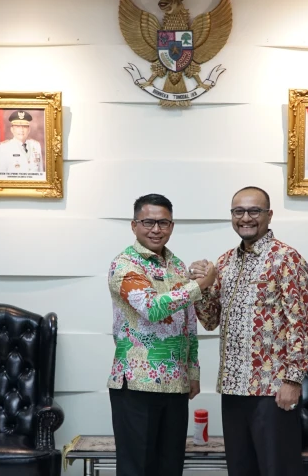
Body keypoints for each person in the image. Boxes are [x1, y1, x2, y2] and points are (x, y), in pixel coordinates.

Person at [189, 186, 308, 476]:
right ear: (231, 215)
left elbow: (300, 324)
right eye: (239, 211)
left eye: (254, 211)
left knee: (277, 469)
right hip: (232, 387)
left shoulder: (286, 259)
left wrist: (292, 381)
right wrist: (201, 286)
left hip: (272, 389)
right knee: (240, 469)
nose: (245, 217)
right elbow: (210, 321)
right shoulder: (224, 262)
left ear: (269, 215)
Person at [107, 193, 215, 476]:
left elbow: (188, 324)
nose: (156, 229)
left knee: (171, 467)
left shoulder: (177, 265)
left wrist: (193, 371)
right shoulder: (125, 264)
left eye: (163, 223)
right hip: (137, 383)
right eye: (148, 222)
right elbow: (152, 308)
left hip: (176, 383)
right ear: (134, 225)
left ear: (172, 226)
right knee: (137, 468)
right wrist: (200, 285)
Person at [0, 110, 43, 176]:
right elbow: (0, 176)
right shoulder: (4, 148)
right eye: (18, 127)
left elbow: (40, 174)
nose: (21, 130)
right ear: (12, 129)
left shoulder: (36, 146)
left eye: (24, 126)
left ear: (29, 129)